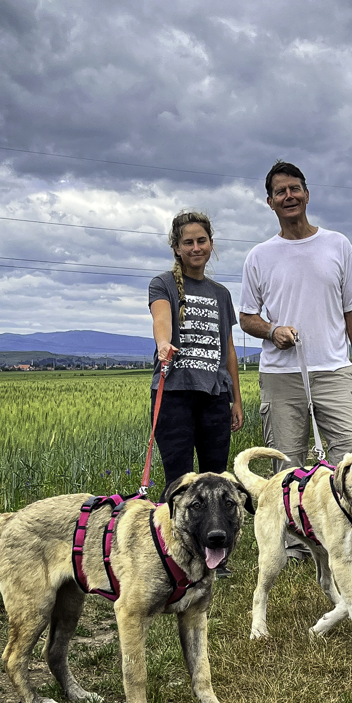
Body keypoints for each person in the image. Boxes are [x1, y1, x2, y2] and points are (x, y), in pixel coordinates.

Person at [238, 160, 352, 566]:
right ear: (270, 202)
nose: (288, 196)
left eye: (295, 189)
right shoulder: (259, 256)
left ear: (307, 194)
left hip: (334, 369)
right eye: (280, 191)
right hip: (280, 375)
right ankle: (292, 547)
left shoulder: (337, 245)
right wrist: (272, 331)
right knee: (286, 465)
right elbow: (247, 317)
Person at [149, 211, 244, 575]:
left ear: (211, 244)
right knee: (179, 481)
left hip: (215, 396)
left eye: (201, 241)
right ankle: (171, 555)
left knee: (216, 481)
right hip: (174, 393)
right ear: (176, 248)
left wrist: (235, 398)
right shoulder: (163, 284)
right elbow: (161, 319)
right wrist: (164, 344)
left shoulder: (221, 294)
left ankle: (215, 557)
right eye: (187, 242)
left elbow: (228, 349)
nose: (195, 247)